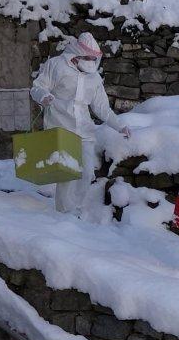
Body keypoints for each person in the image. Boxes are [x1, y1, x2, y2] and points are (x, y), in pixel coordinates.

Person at [30, 32, 131, 218]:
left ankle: (75, 208)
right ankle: (64, 212)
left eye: (93, 59)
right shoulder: (56, 66)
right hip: (60, 128)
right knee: (67, 174)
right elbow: (38, 86)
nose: (90, 62)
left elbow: (102, 108)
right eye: (87, 58)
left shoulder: (94, 78)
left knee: (85, 173)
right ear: (75, 55)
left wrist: (119, 126)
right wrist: (43, 96)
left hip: (85, 130)